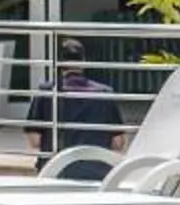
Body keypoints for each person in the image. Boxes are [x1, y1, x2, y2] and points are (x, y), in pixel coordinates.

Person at [22, 42, 128, 181]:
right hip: (97, 173)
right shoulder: (104, 93)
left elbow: (34, 141)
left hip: (55, 171)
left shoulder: (47, 92)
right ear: (83, 62)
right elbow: (118, 143)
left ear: (58, 63)